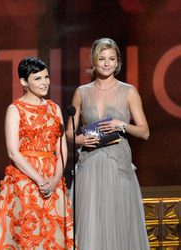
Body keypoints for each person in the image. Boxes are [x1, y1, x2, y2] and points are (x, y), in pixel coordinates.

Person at [66, 38, 150, 250]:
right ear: (94, 61)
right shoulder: (82, 92)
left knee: (118, 221)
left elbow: (145, 132)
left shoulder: (128, 91)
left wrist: (122, 124)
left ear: (118, 62)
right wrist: (79, 139)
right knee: (90, 223)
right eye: (102, 58)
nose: (106, 63)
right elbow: (69, 132)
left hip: (118, 166)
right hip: (90, 165)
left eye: (111, 59)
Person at [0, 57, 74, 249]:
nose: (45, 82)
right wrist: (40, 180)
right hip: (25, 180)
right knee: (29, 234)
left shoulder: (54, 108)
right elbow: (13, 151)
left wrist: (55, 179)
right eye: (38, 78)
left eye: (46, 77)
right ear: (24, 82)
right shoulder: (15, 109)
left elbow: (62, 149)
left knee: (54, 235)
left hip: (53, 179)